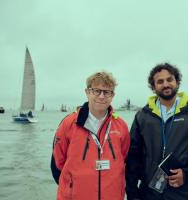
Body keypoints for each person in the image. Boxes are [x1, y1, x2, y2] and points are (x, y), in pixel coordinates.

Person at [125, 63, 188, 200]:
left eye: (170, 79)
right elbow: (132, 156)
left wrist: (187, 174)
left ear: (177, 82)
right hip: (149, 193)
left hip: (183, 193)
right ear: (153, 87)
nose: (166, 84)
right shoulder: (143, 116)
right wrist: (132, 194)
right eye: (160, 81)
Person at [51, 71, 130, 200]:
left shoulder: (121, 126)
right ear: (87, 92)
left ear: (112, 95)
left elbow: (125, 158)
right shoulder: (69, 123)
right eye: (96, 91)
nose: (102, 96)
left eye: (107, 92)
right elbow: (57, 163)